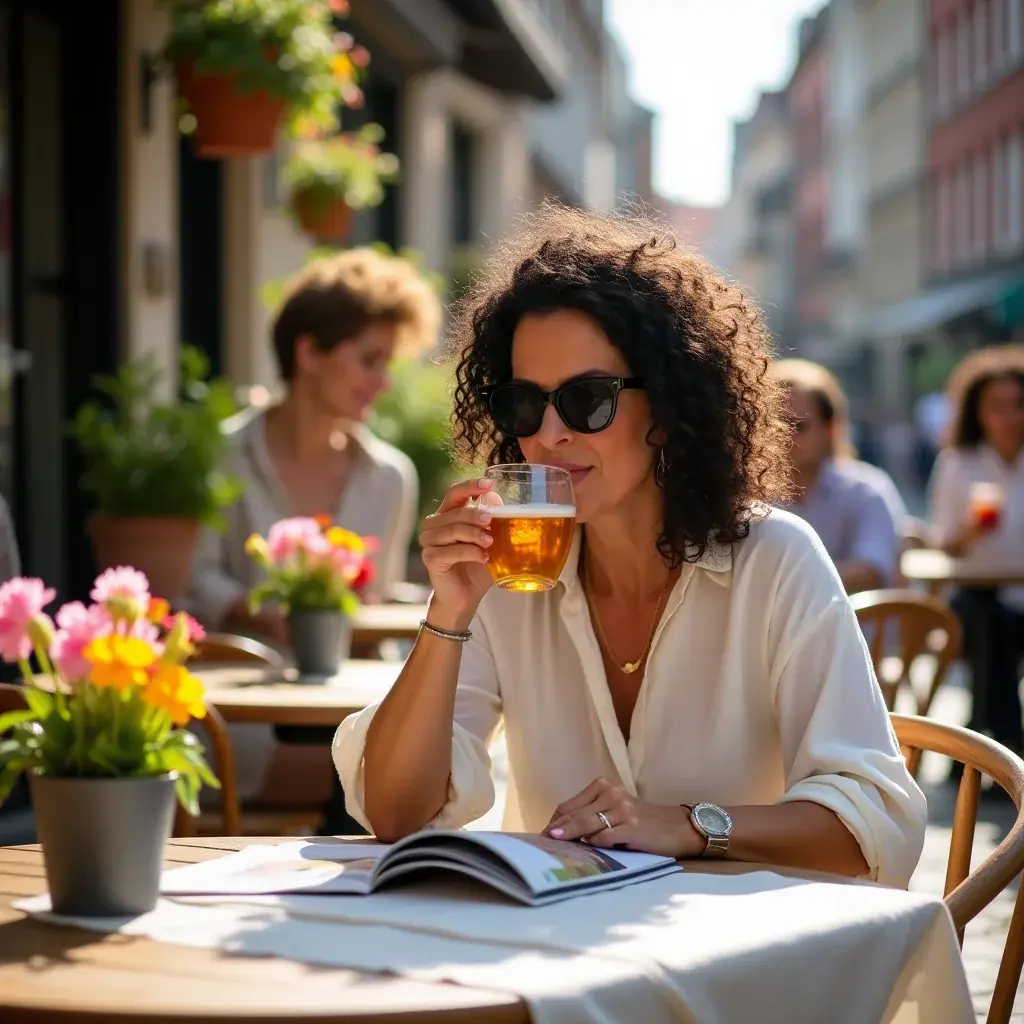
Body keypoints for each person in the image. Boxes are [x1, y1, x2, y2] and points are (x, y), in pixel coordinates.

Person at [332, 207, 926, 886]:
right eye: (525, 403)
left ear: (670, 410)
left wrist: (688, 826)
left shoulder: (775, 560)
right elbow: (398, 816)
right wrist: (448, 613)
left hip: (736, 967)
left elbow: (875, 826)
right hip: (556, 957)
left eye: (588, 399)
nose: (550, 433)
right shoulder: (508, 572)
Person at [188, 247, 440, 809]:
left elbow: (374, 597)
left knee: (395, 757)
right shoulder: (219, 457)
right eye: (369, 360)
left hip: (353, 695)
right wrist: (253, 608)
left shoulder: (389, 477)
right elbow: (193, 579)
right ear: (309, 352)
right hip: (239, 698)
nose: (382, 382)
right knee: (355, 774)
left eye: (387, 365)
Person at [928, 345, 1024, 757]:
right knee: (991, 624)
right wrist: (969, 533)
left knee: (999, 630)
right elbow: (942, 546)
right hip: (977, 595)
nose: (1009, 418)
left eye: (1018, 405)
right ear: (977, 413)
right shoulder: (959, 464)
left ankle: (985, 745)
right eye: (996, 407)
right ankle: (1008, 741)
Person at [772, 359, 907, 594]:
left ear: (830, 429)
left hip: (858, 629)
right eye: (772, 425)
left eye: (797, 426)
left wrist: (785, 585)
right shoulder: (746, 496)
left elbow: (871, 572)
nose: (783, 436)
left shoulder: (867, 489)